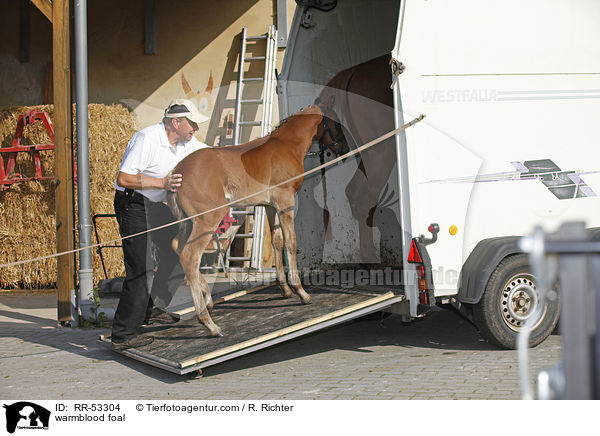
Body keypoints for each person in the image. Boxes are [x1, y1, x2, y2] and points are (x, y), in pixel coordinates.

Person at [111, 99, 209, 349]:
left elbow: (213, 153)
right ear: (175, 122)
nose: (196, 129)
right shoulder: (147, 138)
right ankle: (123, 334)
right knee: (141, 268)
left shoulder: (187, 143)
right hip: (132, 204)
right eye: (192, 123)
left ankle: (154, 307)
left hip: (154, 206)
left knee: (181, 248)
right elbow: (124, 178)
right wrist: (162, 184)